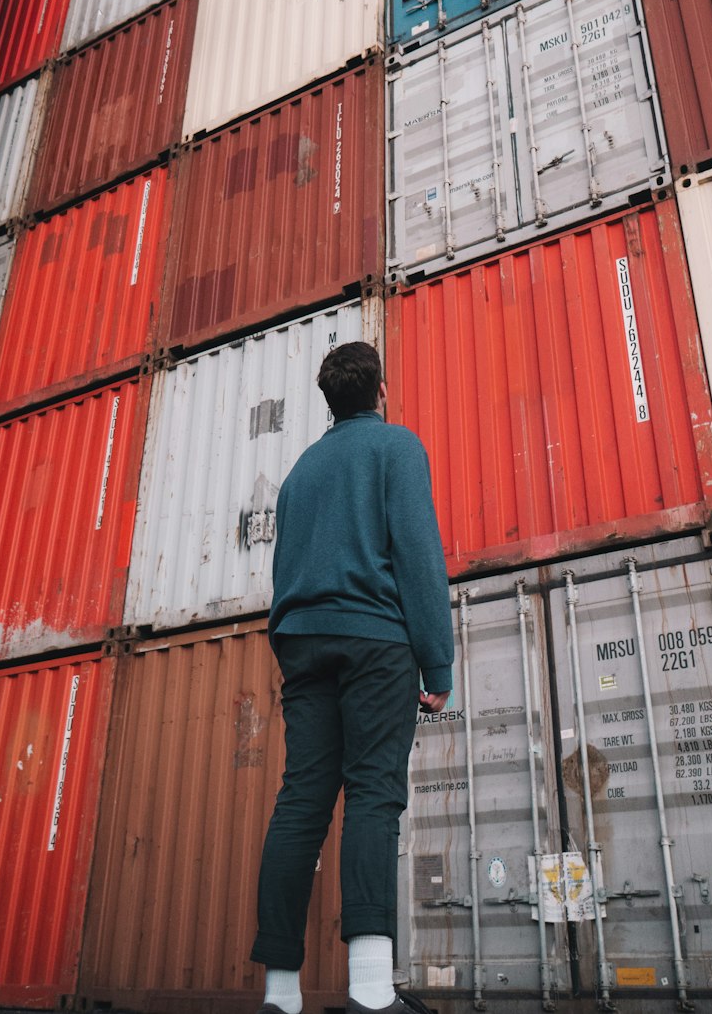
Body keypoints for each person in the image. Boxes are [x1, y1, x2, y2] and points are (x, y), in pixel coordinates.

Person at [251, 340, 454, 1014]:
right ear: (382, 392)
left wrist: (292, 643)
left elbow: (282, 574)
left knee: (302, 801)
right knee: (372, 795)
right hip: (375, 641)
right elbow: (418, 554)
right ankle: (370, 990)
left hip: (302, 643)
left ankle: (281, 993)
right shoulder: (396, 448)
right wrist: (437, 659)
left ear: (330, 401)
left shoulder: (299, 474)